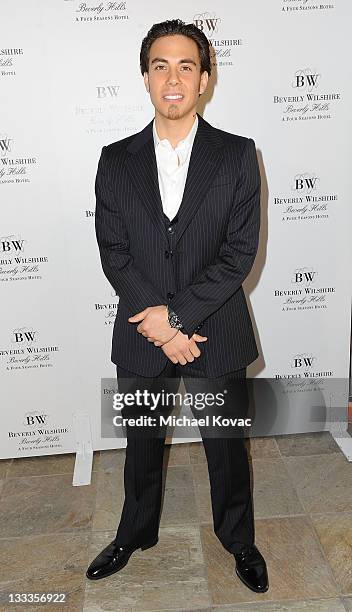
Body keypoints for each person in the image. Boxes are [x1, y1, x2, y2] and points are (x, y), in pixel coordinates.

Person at [86, 19, 269, 594]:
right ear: (145, 78)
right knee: (140, 445)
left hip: (215, 325)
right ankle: (134, 532)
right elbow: (114, 252)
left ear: (205, 79)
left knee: (225, 447)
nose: (173, 77)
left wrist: (180, 318)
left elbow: (240, 253)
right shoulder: (114, 160)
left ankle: (239, 539)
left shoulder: (238, 156)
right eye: (160, 65)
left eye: (186, 66)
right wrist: (161, 326)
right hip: (143, 330)